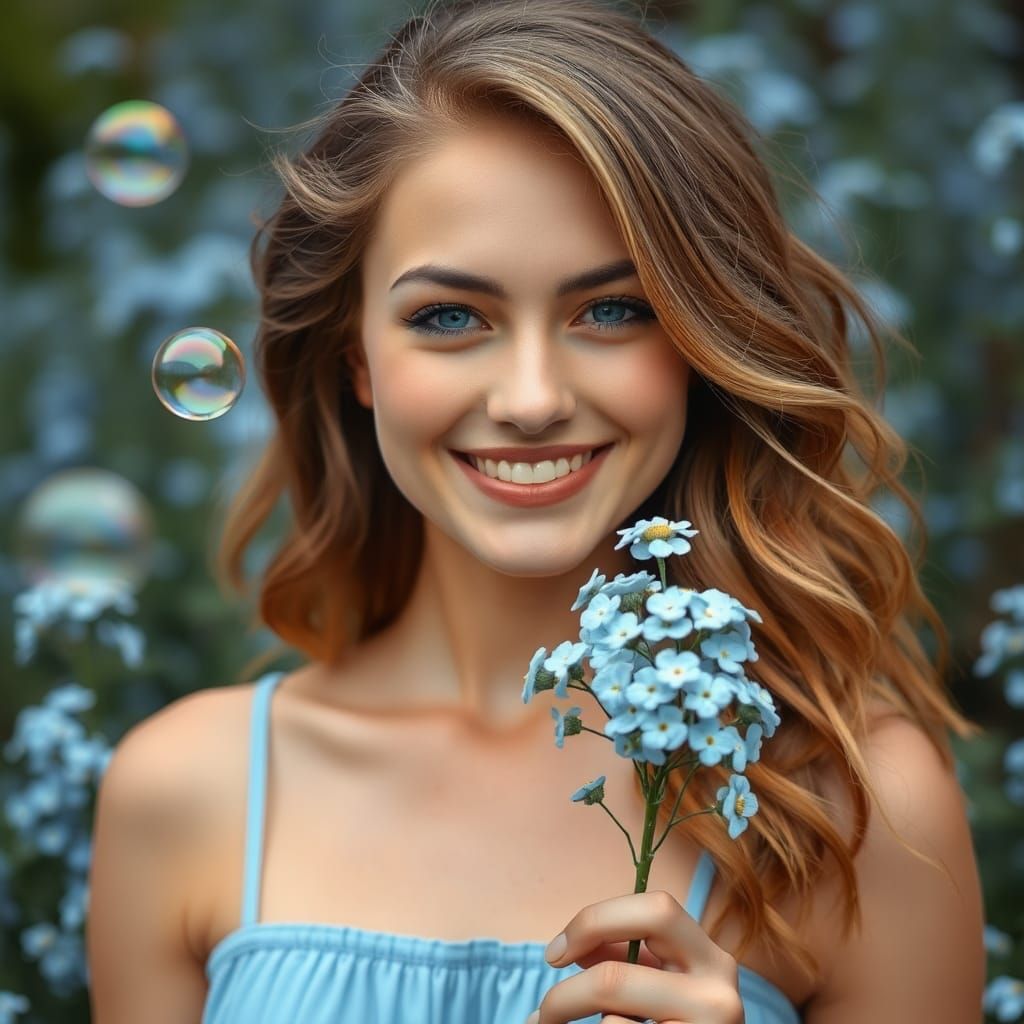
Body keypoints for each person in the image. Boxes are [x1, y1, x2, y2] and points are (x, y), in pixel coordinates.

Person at [85, 0, 987, 1021]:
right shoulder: (181, 792)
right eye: (449, 317)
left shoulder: (855, 810)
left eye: (611, 309)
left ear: (701, 339)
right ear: (356, 357)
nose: (528, 398)